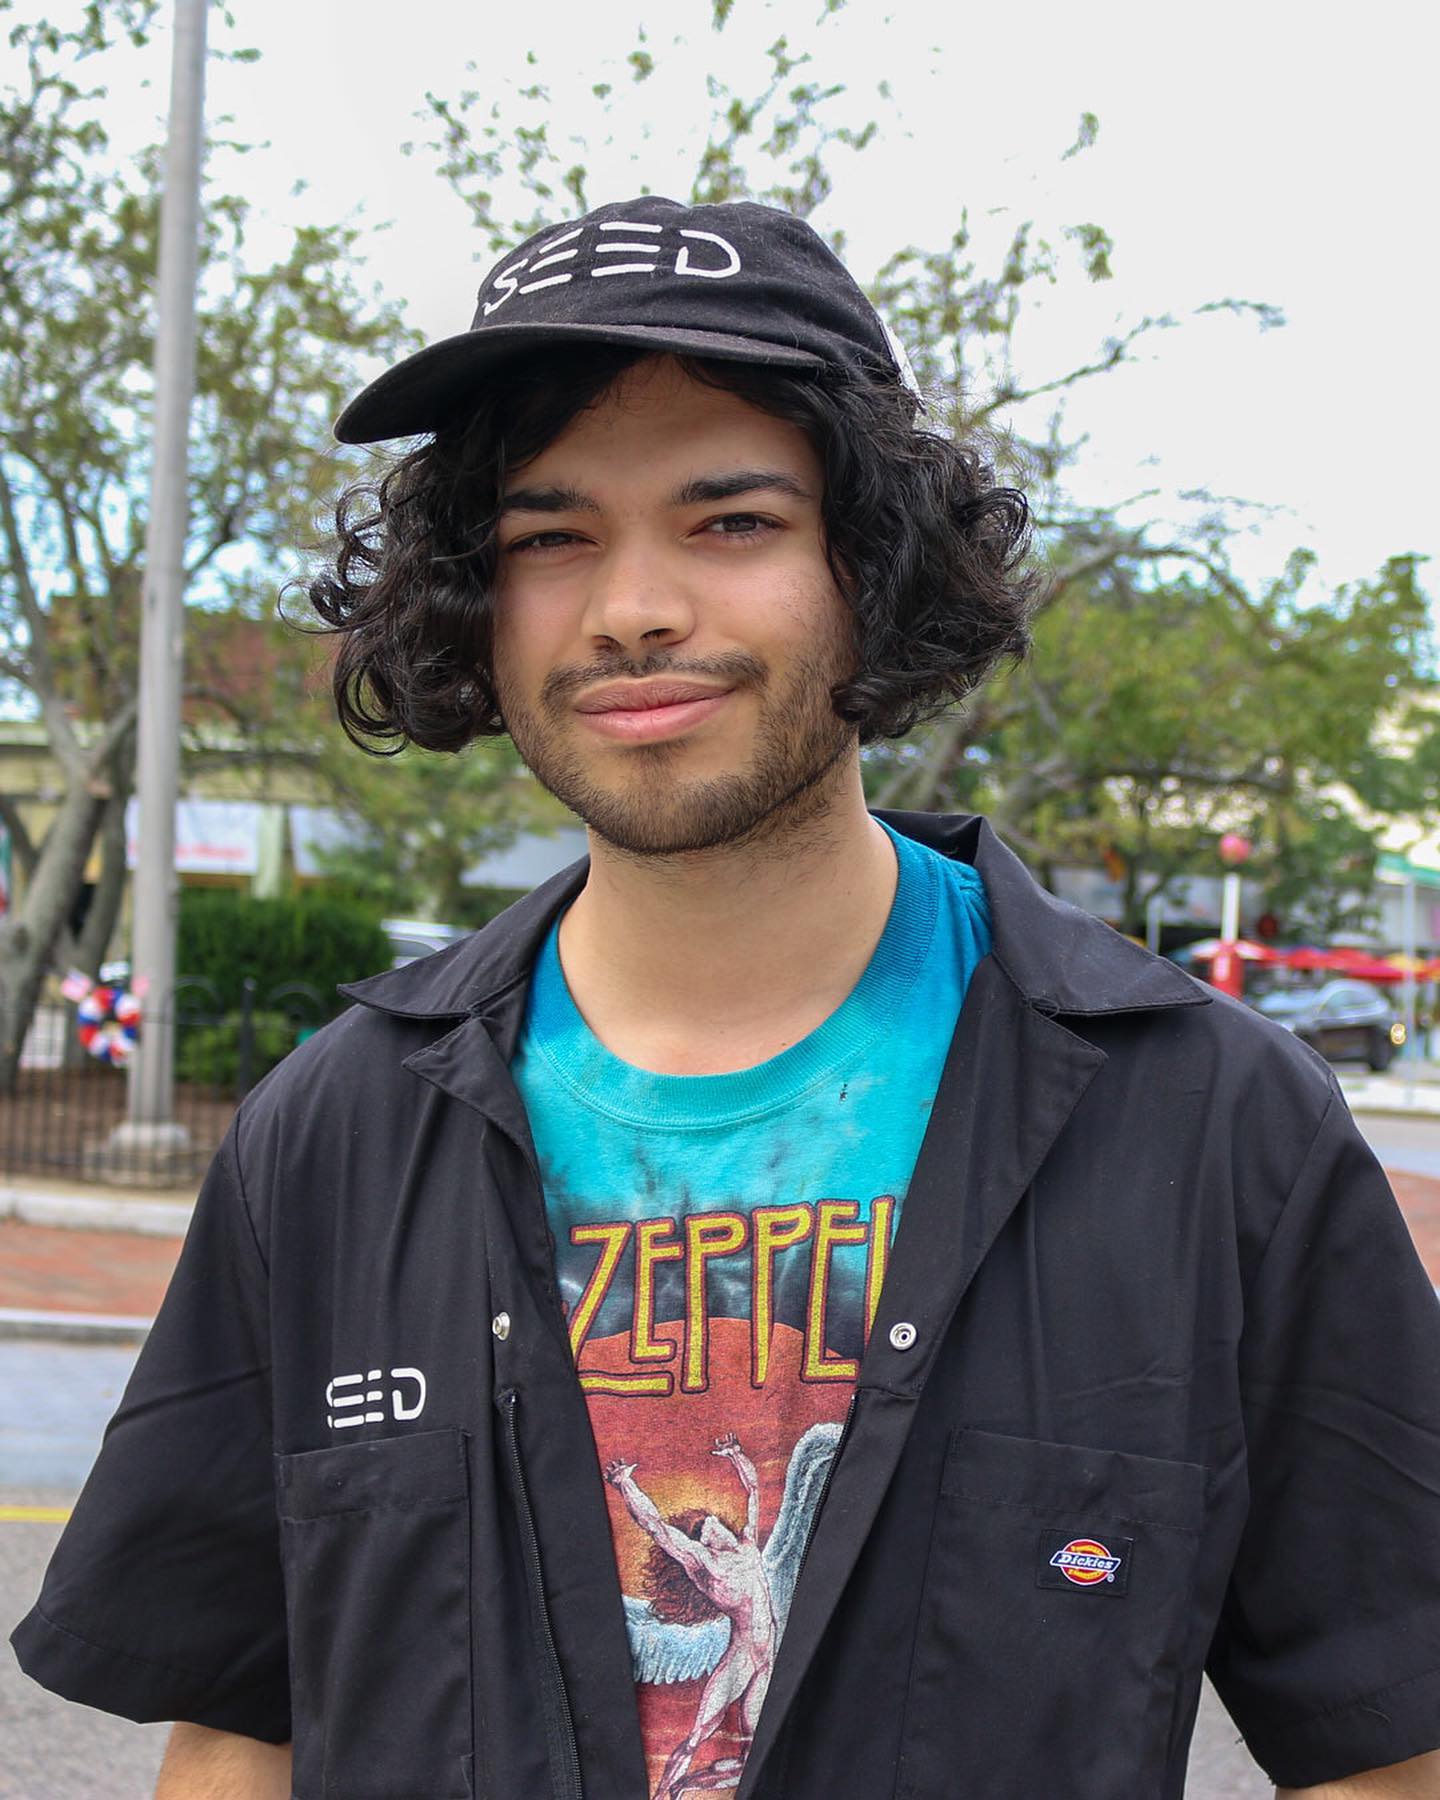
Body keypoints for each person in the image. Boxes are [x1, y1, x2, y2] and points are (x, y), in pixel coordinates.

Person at [11, 194, 1440, 1800]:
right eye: (553, 538)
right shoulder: (332, 1139)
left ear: (870, 563)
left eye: (731, 521)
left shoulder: (1211, 1126)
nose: (631, 607)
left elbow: (1387, 1744)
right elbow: (240, 1736)